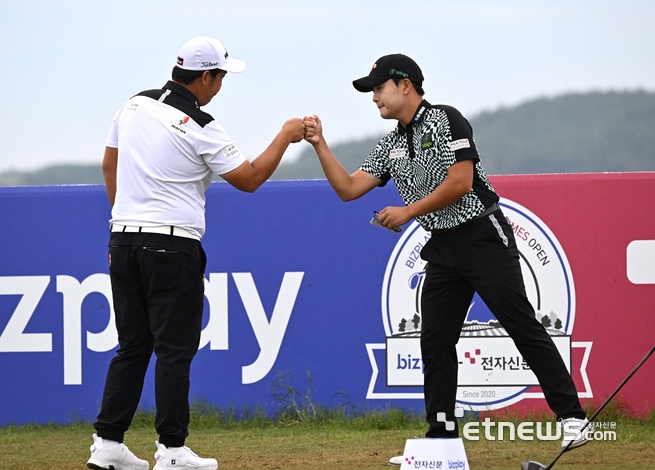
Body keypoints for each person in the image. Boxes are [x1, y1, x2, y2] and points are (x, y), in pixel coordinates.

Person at [303, 53, 591, 465]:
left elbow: (461, 181)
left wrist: (407, 211)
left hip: (482, 235)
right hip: (443, 247)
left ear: (405, 85)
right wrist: (319, 144)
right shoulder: (390, 144)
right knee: (435, 341)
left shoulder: (445, 119)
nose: (374, 99)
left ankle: (572, 418)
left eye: (379, 89)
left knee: (521, 325)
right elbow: (349, 188)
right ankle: (440, 437)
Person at [87, 36, 304, 470]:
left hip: (123, 239)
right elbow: (249, 178)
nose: (221, 85)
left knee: (132, 345)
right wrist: (285, 135)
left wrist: (125, 215)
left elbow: (109, 164)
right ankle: (171, 450)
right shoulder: (202, 124)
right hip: (171, 244)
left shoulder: (132, 105)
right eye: (221, 77)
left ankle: (108, 443)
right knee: (174, 347)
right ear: (205, 76)